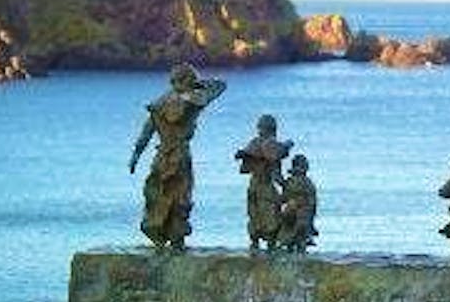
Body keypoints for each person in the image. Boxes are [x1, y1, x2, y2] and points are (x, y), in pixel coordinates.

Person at [129, 63, 225, 251]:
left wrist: (135, 156)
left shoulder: (160, 103)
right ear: (188, 80)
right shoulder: (193, 101)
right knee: (181, 197)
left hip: (161, 156)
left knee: (159, 195)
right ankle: (176, 238)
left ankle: (159, 236)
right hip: (180, 155)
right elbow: (219, 85)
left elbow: (145, 134)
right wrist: (198, 85)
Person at [235, 115, 293, 251]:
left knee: (256, 214)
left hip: (255, 184)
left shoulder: (255, 143)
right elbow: (275, 169)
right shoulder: (269, 144)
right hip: (264, 185)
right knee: (269, 215)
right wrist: (286, 186)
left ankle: (256, 243)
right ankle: (268, 244)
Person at [277, 154, 318, 254]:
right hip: (297, 215)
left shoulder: (297, 182)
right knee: (297, 237)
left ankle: (296, 249)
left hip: (299, 215)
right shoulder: (307, 182)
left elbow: (285, 197)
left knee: (296, 236)